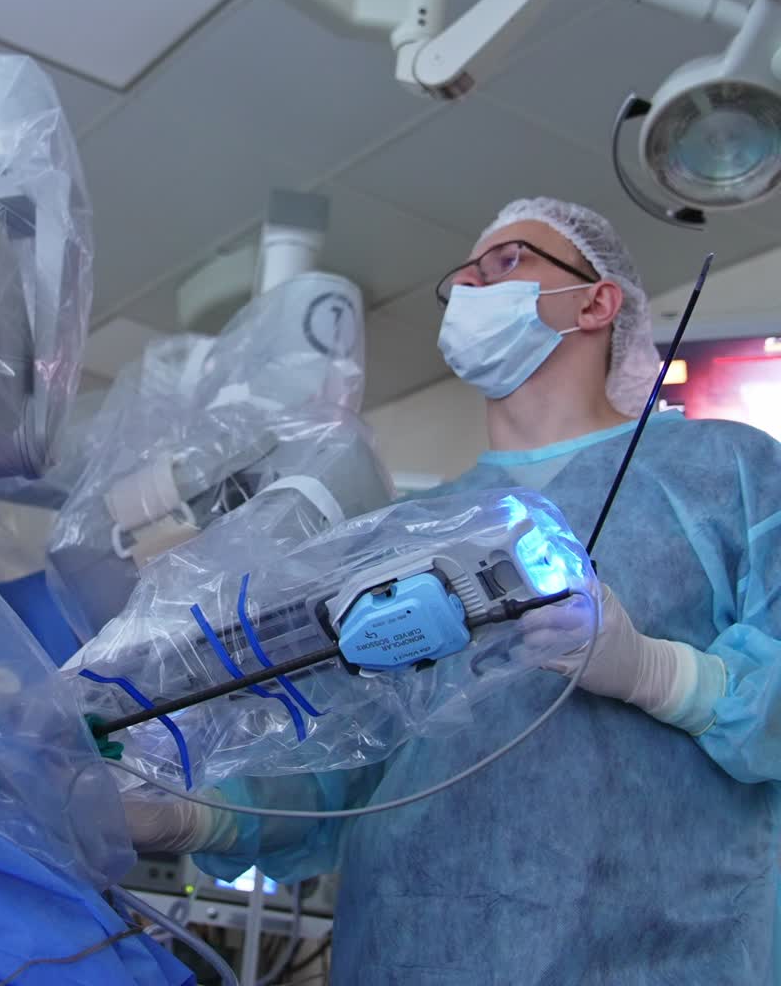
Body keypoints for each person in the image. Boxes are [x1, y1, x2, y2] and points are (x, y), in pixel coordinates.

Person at [131, 197, 781, 984]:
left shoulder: (728, 473)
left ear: (596, 300)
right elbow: (342, 768)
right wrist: (193, 816)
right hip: (408, 949)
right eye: (463, 276)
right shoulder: (409, 529)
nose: (471, 283)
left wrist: (655, 672)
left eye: (507, 262)